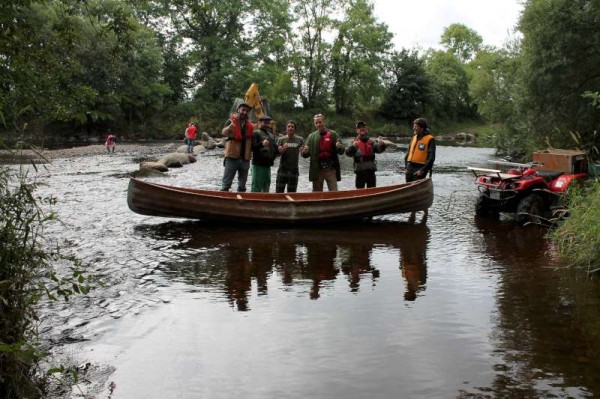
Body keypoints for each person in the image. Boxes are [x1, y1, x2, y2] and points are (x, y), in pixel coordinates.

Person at [301, 114, 344, 192]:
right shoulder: (311, 137)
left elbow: (342, 151)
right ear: (314, 124)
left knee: (334, 192)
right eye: (316, 123)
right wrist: (304, 152)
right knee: (317, 194)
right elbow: (305, 155)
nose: (318, 124)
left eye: (320, 122)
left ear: (324, 122)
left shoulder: (333, 134)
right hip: (317, 170)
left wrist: (339, 147)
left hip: (331, 169)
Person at [221, 102, 254, 192]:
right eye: (243, 110)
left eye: (247, 111)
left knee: (242, 186)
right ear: (238, 110)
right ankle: (222, 200)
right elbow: (223, 132)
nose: (245, 112)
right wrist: (230, 127)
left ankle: (240, 203)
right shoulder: (230, 121)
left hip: (245, 158)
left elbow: (252, 141)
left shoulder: (250, 126)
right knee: (226, 184)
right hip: (232, 156)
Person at [345, 121, 386, 188]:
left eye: (363, 127)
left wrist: (381, 144)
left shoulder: (372, 142)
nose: (362, 129)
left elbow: (379, 150)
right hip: (360, 172)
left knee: (372, 193)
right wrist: (353, 147)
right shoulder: (353, 142)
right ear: (356, 130)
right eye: (359, 127)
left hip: (371, 172)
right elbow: (347, 153)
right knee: (360, 193)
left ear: (366, 129)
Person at [250, 115, 278, 192]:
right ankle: (253, 202)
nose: (266, 124)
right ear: (259, 122)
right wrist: (262, 144)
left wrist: (280, 150)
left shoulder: (271, 135)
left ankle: (264, 202)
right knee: (256, 186)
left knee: (266, 186)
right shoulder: (256, 133)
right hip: (258, 165)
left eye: (268, 122)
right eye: (265, 122)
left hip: (268, 165)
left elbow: (275, 149)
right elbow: (252, 147)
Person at [276, 120, 304, 193]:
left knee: (292, 193)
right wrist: (282, 150)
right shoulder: (281, 139)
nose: (290, 128)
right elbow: (277, 154)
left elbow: (304, 154)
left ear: (295, 129)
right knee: (279, 193)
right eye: (289, 126)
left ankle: (291, 204)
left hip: (294, 170)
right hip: (282, 169)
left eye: (292, 127)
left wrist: (303, 150)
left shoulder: (300, 139)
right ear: (286, 128)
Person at [404, 118, 436, 182]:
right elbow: (408, 153)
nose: (414, 128)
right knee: (407, 185)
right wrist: (406, 166)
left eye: (416, 126)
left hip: (421, 167)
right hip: (410, 166)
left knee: (415, 185)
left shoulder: (430, 139)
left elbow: (431, 157)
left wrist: (423, 170)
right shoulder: (414, 137)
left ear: (422, 128)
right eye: (414, 126)